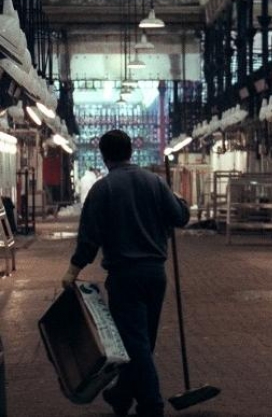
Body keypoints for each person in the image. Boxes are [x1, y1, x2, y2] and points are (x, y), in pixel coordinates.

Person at [62, 129, 190, 417]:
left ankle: (151, 405)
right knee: (143, 341)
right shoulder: (155, 182)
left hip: (124, 278)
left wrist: (74, 269)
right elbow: (180, 216)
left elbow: (89, 238)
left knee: (136, 343)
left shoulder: (103, 188)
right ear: (131, 151)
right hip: (156, 276)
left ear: (104, 156)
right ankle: (121, 395)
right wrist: (177, 197)